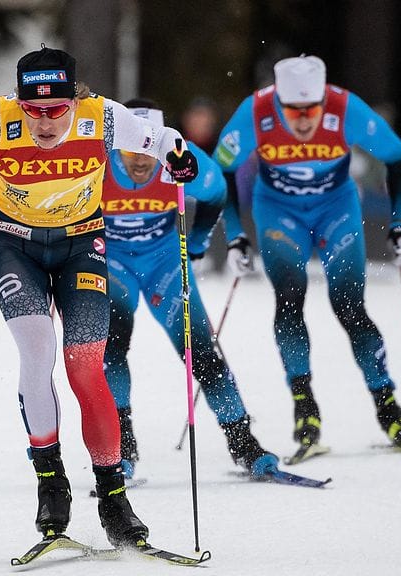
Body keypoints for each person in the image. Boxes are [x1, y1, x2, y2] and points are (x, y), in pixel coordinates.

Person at [0, 45, 197, 548]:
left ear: (75, 100)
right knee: (37, 350)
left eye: (56, 110)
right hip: (13, 245)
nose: (44, 123)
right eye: (34, 111)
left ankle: (115, 498)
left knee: (85, 365)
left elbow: (164, 140)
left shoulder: (104, 117)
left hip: (80, 245)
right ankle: (51, 481)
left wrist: (179, 157)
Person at [212, 54, 401, 451]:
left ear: (325, 98)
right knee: (290, 301)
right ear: (279, 101)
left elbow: (396, 158)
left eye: (313, 109)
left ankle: (387, 404)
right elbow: (218, 170)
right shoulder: (256, 111)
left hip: (336, 209)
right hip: (278, 211)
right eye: (294, 111)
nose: (305, 119)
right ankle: (304, 404)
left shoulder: (345, 107)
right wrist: (236, 235)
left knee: (349, 306)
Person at [101, 99, 278, 478]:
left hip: (163, 263)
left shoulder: (179, 156)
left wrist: (196, 244)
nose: (142, 159)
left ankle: (243, 442)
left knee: (202, 353)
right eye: (132, 149)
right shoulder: (96, 162)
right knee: (110, 347)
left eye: (150, 147)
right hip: (111, 263)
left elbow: (216, 194)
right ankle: (121, 448)